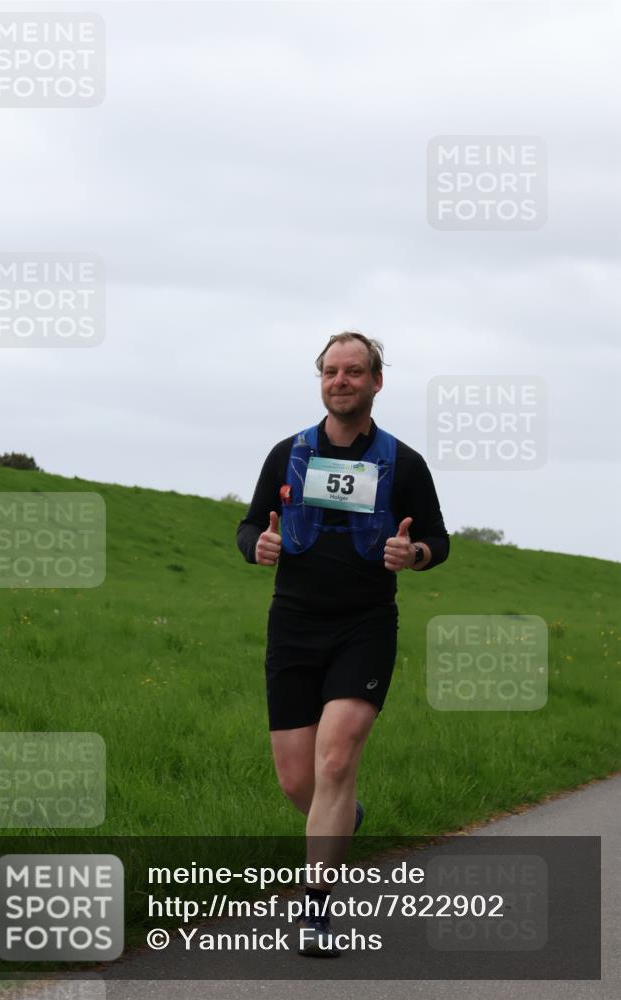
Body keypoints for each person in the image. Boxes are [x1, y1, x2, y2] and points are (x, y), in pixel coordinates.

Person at [236, 332, 449, 956]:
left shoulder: (403, 463)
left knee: (335, 762)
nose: (341, 380)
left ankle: (316, 912)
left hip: (365, 627)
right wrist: (258, 546)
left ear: (376, 382)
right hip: (294, 626)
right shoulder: (288, 454)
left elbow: (438, 537)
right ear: (321, 380)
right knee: (297, 780)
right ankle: (343, 819)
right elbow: (250, 524)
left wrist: (414, 553)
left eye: (355, 371)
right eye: (331, 371)